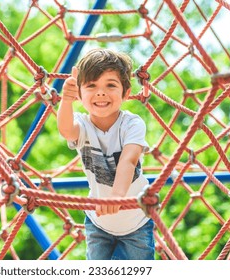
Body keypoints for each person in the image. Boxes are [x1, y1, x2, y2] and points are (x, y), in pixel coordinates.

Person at [57, 48, 155, 260]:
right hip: (98, 223)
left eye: (110, 85)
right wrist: (66, 100)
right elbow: (66, 130)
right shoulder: (82, 124)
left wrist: (117, 196)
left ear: (126, 93)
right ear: (80, 94)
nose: (101, 92)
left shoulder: (132, 124)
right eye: (91, 86)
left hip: (136, 222)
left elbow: (129, 160)